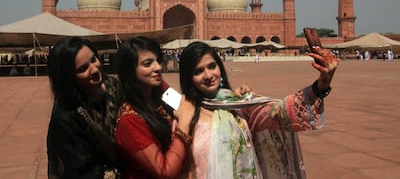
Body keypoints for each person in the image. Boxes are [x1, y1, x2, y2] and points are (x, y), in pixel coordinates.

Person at [178, 41, 339, 179]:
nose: (208, 75)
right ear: (188, 78)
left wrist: (321, 85)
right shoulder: (186, 112)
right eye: (198, 71)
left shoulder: (240, 107)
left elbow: (281, 113)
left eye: (212, 66)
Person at [113, 36, 195, 179]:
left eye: (157, 60)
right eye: (147, 63)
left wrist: (224, 93)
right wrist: (183, 126)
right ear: (130, 71)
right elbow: (165, 172)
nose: (158, 67)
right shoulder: (130, 120)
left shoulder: (158, 92)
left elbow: (188, 105)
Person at [46, 36, 125, 179]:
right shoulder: (67, 115)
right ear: (68, 77)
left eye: (94, 59)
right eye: (83, 69)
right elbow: (78, 169)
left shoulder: (112, 85)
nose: (94, 69)